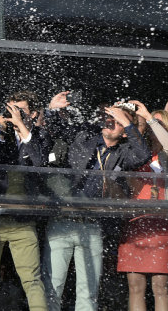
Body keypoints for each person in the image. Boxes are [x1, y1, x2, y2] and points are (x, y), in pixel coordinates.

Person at [41, 91, 151, 311]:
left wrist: (129, 122)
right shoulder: (85, 136)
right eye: (108, 118)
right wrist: (51, 110)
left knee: (88, 292)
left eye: (116, 121)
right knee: (52, 287)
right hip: (63, 221)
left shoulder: (124, 152)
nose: (110, 122)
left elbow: (143, 156)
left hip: (92, 226)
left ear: (125, 131)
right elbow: (57, 129)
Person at [0, 90, 51, 311]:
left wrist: (24, 130)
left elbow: (40, 166)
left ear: (33, 114)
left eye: (20, 110)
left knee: (32, 281)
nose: (14, 114)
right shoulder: (1, 136)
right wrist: (0, 131)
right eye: (11, 109)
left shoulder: (41, 136)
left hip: (23, 222)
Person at [117, 103, 168, 311]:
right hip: (135, 223)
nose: (155, 128)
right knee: (135, 286)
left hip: (161, 225)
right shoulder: (138, 152)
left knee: (160, 287)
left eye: (160, 124)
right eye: (152, 123)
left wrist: (149, 116)